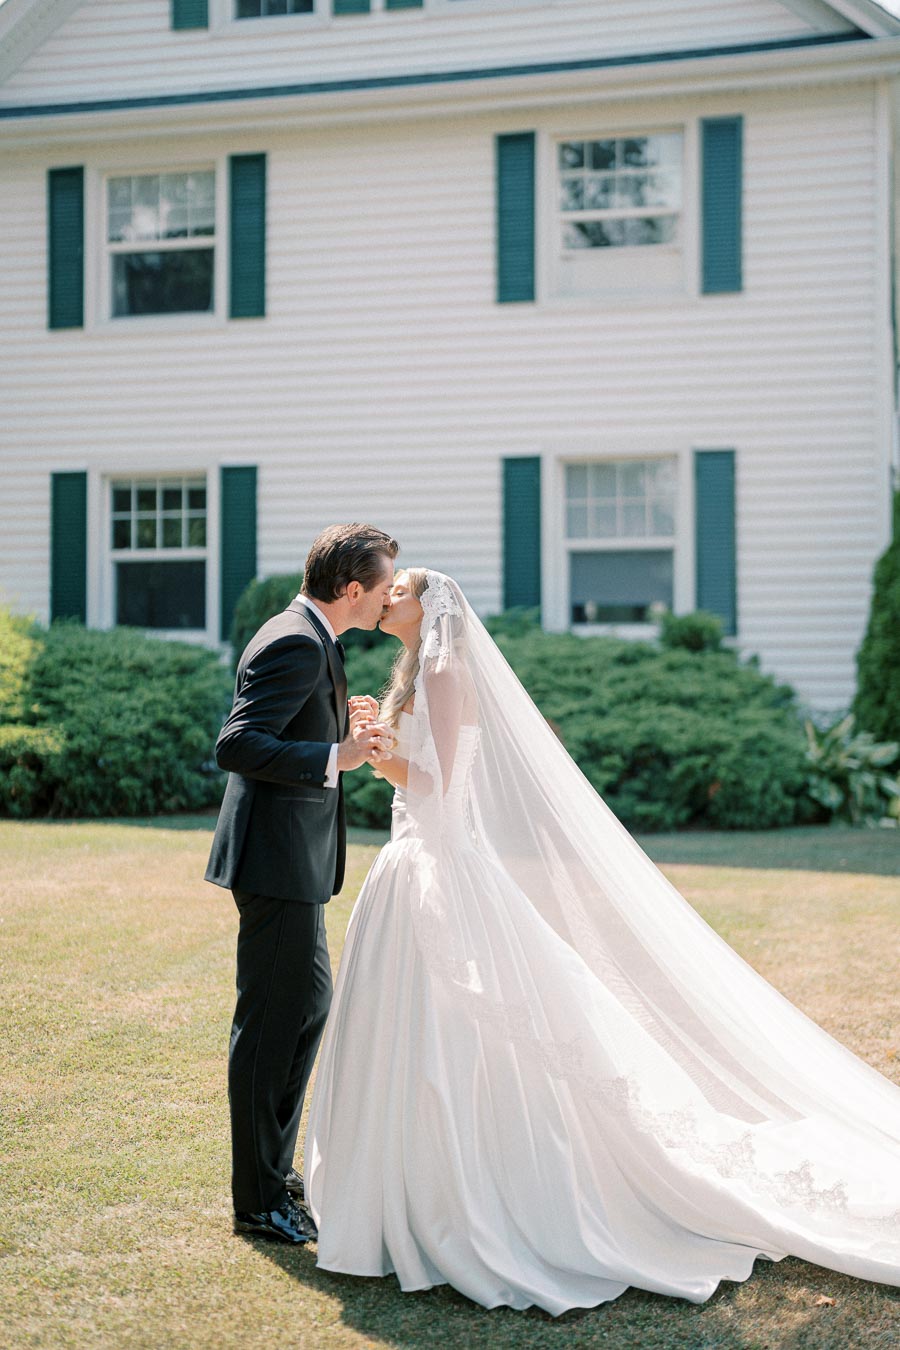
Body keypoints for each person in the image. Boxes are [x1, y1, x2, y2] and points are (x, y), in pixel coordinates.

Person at [305, 568, 900, 1315]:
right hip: (411, 865)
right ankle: (395, 1190)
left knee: (462, 1034)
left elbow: (442, 786)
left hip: (442, 866)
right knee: (413, 1033)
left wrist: (373, 751)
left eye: (402, 591)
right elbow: (416, 772)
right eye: (386, 591)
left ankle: (470, 1194)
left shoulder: (448, 668)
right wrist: (379, 739)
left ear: (434, 608)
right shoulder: (417, 668)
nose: (387, 598)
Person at [205, 523, 399, 1245]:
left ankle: (273, 1172)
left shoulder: (313, 636)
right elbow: (237, 743)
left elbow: (285, 725)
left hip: (294, 863)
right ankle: (257, 1202)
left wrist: (338, 727)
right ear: (353, 589)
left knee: (304, 1009)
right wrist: (335, 754)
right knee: (271, 1027)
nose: (387, 601)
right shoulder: (294, 638)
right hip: (275, 864)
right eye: (382, 588)